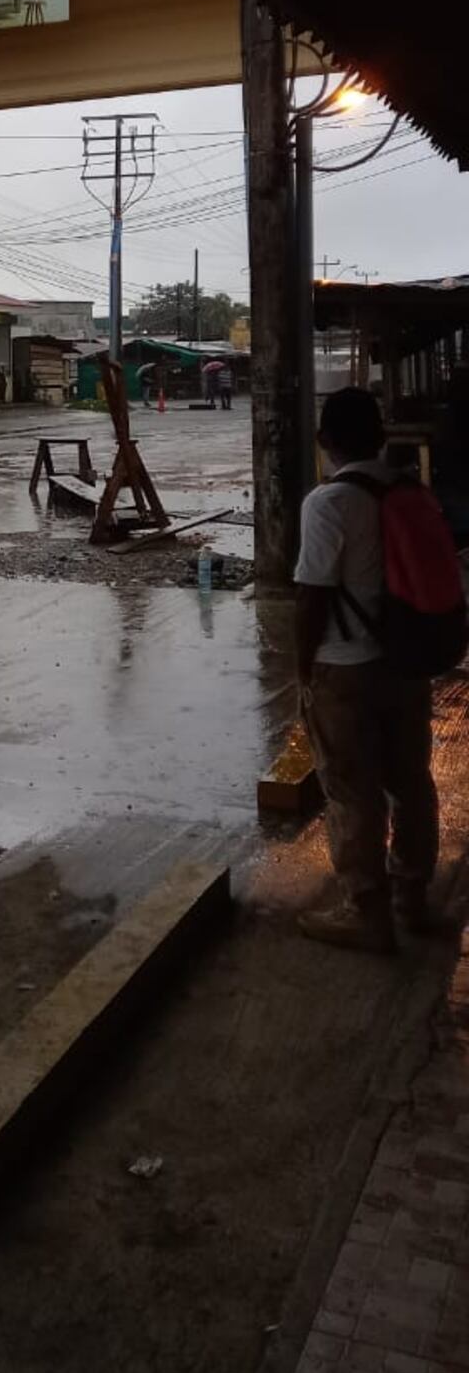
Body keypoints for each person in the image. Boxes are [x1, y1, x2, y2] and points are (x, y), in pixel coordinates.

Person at [294, 387, 440, 953]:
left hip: (345, 667)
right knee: (411, 782)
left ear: (325, 441)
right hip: (406, 663)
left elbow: (310, 598)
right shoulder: (410, 490)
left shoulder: (328, 502)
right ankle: (413, 898)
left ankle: (366, 912)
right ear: (381, 438)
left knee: (353, 793)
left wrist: (303, 673)